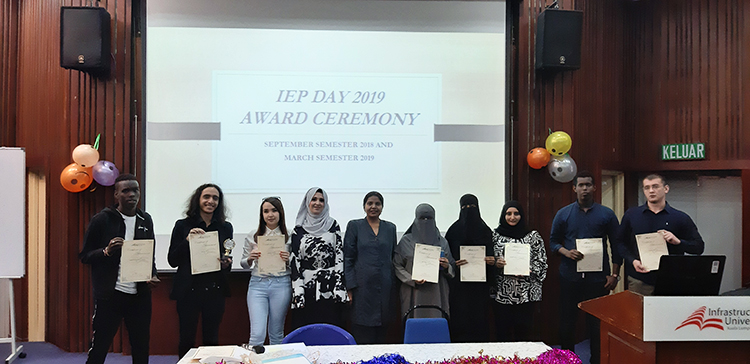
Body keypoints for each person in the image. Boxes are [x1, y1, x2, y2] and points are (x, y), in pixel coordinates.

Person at [79, 173, 158, 364]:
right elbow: (85, 256)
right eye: (126, 191)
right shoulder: (102, 220)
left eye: (135, 190)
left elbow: (149, 254)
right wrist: (105, 251)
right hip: (111, 294)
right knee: (100, 345)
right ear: (116, 195)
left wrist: (152, 274)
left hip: (139, 295)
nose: (132, 194)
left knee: (141, 346)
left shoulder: (145, 219)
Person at [549, 171, 621, 364]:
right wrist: (566, 252)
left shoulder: (607, 214)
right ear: (574, 188)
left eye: (588, 185)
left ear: (594, 187)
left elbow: (617, 246)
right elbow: (553, 242)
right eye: (580, 185)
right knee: (567, 322)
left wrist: (615, 274)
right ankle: (567, 359)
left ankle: (597, 360)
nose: (584, 188)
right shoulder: (563, 214)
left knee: (596, 324)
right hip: (570, 276)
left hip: (598, 279)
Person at [168, 184, 234, 358]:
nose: (210, 201)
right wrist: (187, 240)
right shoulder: (182, 225)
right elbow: (172, 260)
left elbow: (226, 257)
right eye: (206, 197)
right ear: (198, 199)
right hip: (188, 291)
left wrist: (227, 263)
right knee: (186, 339)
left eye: (215, 198)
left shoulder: (225, 227)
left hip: (214, 290)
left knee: (211, 339)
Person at [616, 174, 704, 296]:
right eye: (647, 188)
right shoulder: (631, 215)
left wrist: (678, 242)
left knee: (669, 314)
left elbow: (699, 247)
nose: (651, 191)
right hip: (640, 280)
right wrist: (633, 261)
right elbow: (620, 243)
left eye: (655, 186)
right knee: (639, 315)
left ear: (666, 189)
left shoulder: (680, 218)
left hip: (672, 281)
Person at [289, 187, 348, 329]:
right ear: (307, 202)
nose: (317, 203)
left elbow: (339, 256)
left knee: (330, 330)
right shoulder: (298, 230)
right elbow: (295, 262)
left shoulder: (333, 225)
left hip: (329, 288)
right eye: (314, 199)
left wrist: (339, 288)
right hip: (306, 290)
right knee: (306, 330)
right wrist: (298, 292)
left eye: (321, 200)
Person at [344, 191, 398, 344]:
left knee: (383, 332)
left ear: (382, 206)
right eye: (370, 203)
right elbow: (348, 258)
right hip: (362, 288)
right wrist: (349, 287)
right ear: (364, 206)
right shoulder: (355, 226)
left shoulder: (390, 228)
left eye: (377, 204)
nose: (373, 207)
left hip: (385, 288)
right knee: (362, 331)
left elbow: (393, 256)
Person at [490, 200, 547, 342]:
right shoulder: (494, 236)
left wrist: (529, 269)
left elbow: (542, 261)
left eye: (516, 213)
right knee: (503, 333)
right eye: (508, 214)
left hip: (526, 293)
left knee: (523, 333)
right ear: (503, 215)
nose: (512, 217)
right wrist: (496, 263)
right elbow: (490, 260)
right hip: (502, 293)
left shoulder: (533, 236)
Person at [240, 197, 292, 346]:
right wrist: (250, 258)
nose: (270, 214)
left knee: (276, 334)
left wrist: (289, 259)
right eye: (266, 211)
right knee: (257, 334)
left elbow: (296, 263)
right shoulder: (253, 235)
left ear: (280, 212)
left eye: (274, 210)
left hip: (281, 284)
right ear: (261, 214)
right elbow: (243, 264)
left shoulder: (290, 235)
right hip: (258, 284)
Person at [445, 194, 493, 342]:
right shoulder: (453, 231)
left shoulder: (486, 231)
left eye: (472, 207)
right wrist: (454, 263)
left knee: (480, 319)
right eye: (465, 207)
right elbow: (447, 257)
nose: (468, 210)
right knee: (461, 319)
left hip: (481, 287)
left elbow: (493, 255)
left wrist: (491, 261)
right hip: (459, 287)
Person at [393, 203, 455, 319]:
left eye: (429, 218)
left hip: (437, 292)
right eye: (422, 218)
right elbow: (397, 265)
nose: (425, 221)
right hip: (413, 290)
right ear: (416, 219)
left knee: (436, 325)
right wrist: (411, 279)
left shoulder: (442, 242)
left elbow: (452, 265)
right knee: (414, 325)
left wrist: (447, 266)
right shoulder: (406, 241)